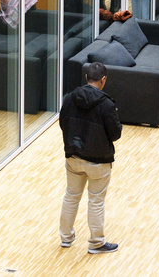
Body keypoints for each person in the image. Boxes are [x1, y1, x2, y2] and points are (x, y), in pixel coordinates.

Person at [59, 62, 122, 254]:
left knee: (71, 196)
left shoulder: (70, 98)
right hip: (99, 162)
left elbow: (63, 123)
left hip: (74, 157)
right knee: (96, 201)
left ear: (86, 78)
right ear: (103, 80)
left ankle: (66, 238)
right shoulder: (106, 104)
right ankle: (96, 243)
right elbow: (115, 134)